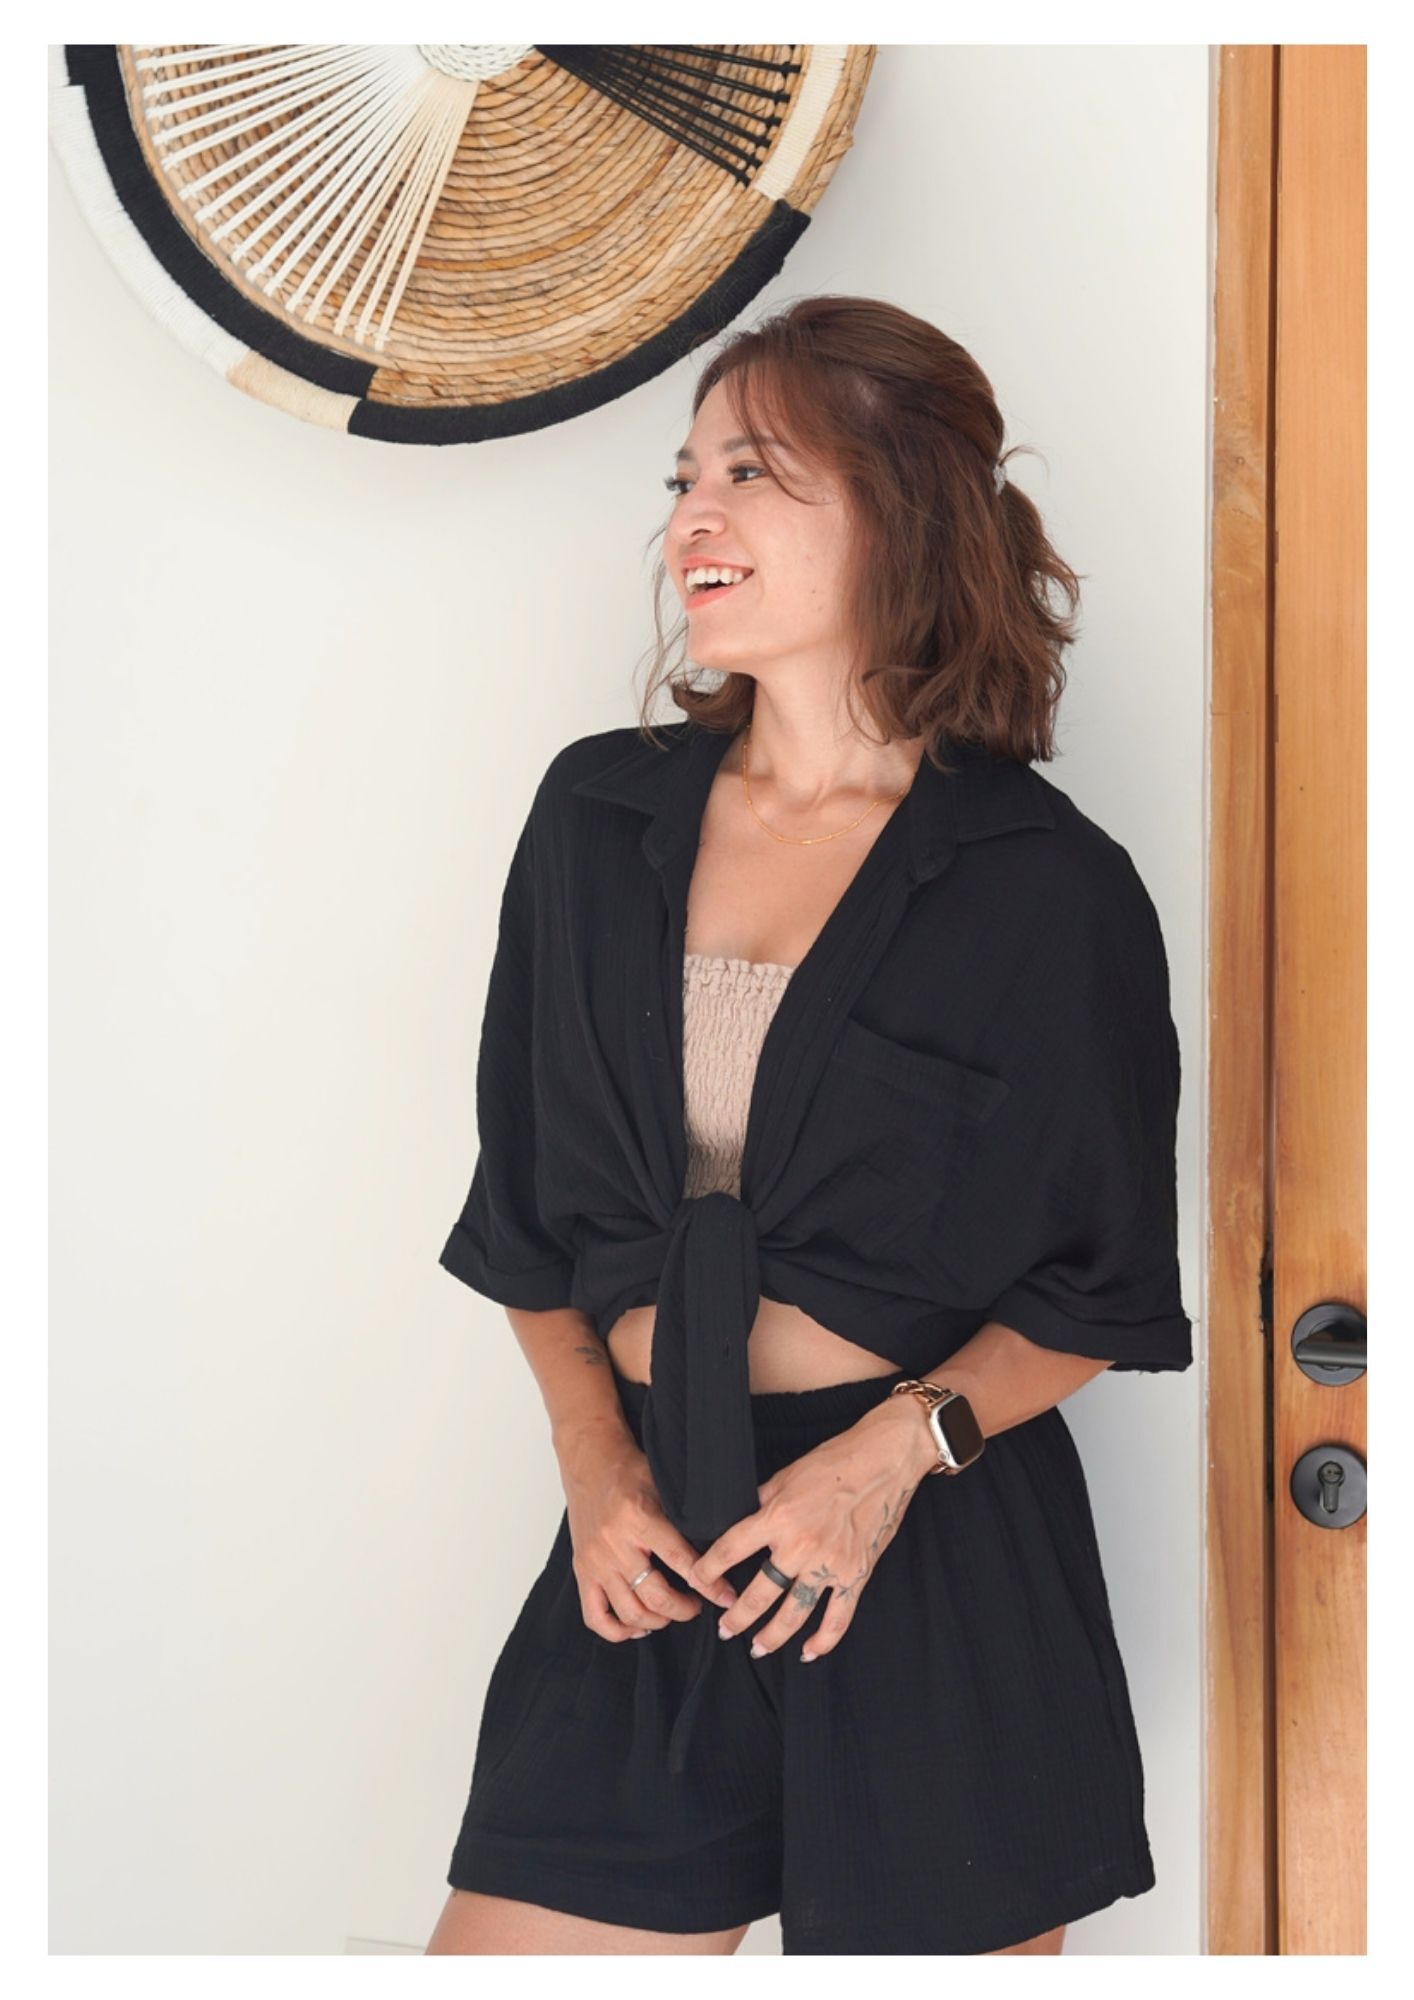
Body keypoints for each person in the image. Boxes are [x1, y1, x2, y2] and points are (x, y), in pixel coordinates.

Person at [424, 295, 1193, 1957]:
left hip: (928, 1555)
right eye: (684, 477)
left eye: (752, 474)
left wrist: (884, 1462)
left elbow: (1099, 1292)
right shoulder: (592, 817)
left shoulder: (1048, 889)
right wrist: (593, 1467)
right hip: (646, 1541)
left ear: (899, 515)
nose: (690, 520)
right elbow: (527, 1220)